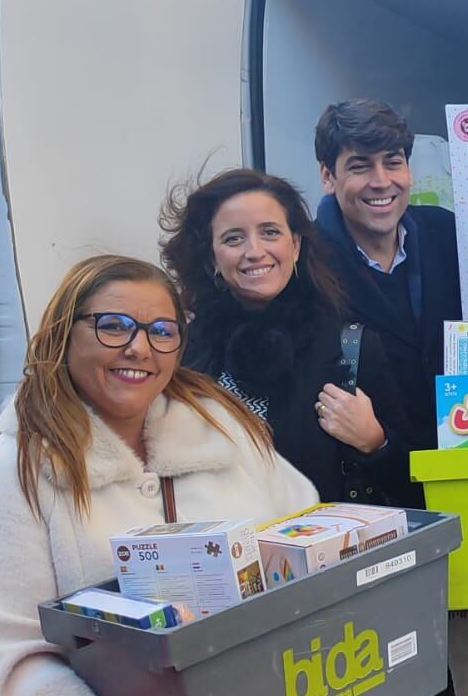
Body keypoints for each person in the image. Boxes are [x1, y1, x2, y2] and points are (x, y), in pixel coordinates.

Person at [0, 256, 319, 696]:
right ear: (63, 334)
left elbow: (309, 537)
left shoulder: (225, 431)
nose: (139, 346)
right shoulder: (16, 473)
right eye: (113, 326)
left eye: (162, 330)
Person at [312, 99, 468, 696]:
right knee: (371, 660)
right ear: (327, 176)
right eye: (359, 166)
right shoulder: (304, 258)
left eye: (392, 161)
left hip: (457, 476)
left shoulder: (447, 233)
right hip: (361, 493)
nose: (380, 180)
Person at [159, 168, 410, 507]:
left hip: (322, 552)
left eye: (270, 232)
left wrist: (374, 441)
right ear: (212, 259)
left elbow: (412, 484)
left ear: (295, 245)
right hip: (219, 552)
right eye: (233, 238)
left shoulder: (351, 348)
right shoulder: (179, 353)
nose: (255, 251)